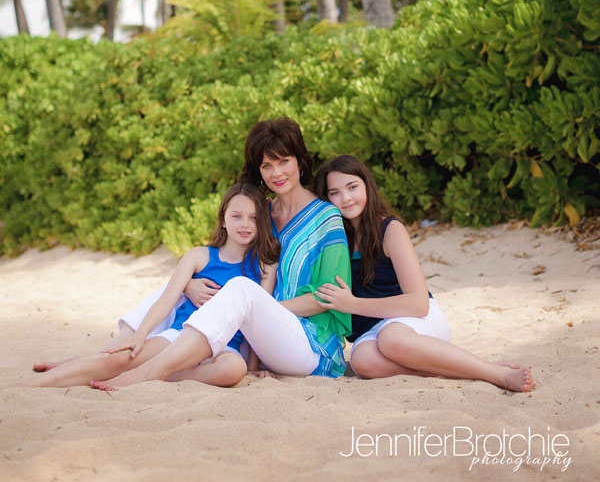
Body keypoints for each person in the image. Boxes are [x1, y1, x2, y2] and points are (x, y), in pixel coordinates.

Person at [90, 117, 352, 391]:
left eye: (284, 161)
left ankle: (149, 372)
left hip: (310, 345)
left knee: (241, 289)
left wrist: (258, 309)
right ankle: (112, 352)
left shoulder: (326, 218)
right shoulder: (260, 214)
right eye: (267, 165)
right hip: (265, 338)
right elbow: (224, 262)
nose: (277, 173)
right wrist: (189, 284)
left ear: (300, 160)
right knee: (178, 287)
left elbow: (328, 298)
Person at [9, 183, 279, 389]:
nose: (245, 224)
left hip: (225, 348)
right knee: (116, 360)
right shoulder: (199, 256)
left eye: (254, 218)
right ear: (223, 219)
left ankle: (159, 374)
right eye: (237, 216)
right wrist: (140, 336)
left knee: (234, 370)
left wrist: (253, 367)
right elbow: (166, 299)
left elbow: (257, 324)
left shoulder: (264, 266)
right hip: (179, 339)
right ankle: (27, 387)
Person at [313, 155, 534, 393]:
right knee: (362, 361)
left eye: (352, 187)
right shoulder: (335, 241)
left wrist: (353, 304)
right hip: (372, 333)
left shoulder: (390, 229)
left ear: (367, 185)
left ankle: (497, 374)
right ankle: (470, 368)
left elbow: (418, 304)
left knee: (392, 339)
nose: (345, 198)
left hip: (415, 323)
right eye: (334, 193)